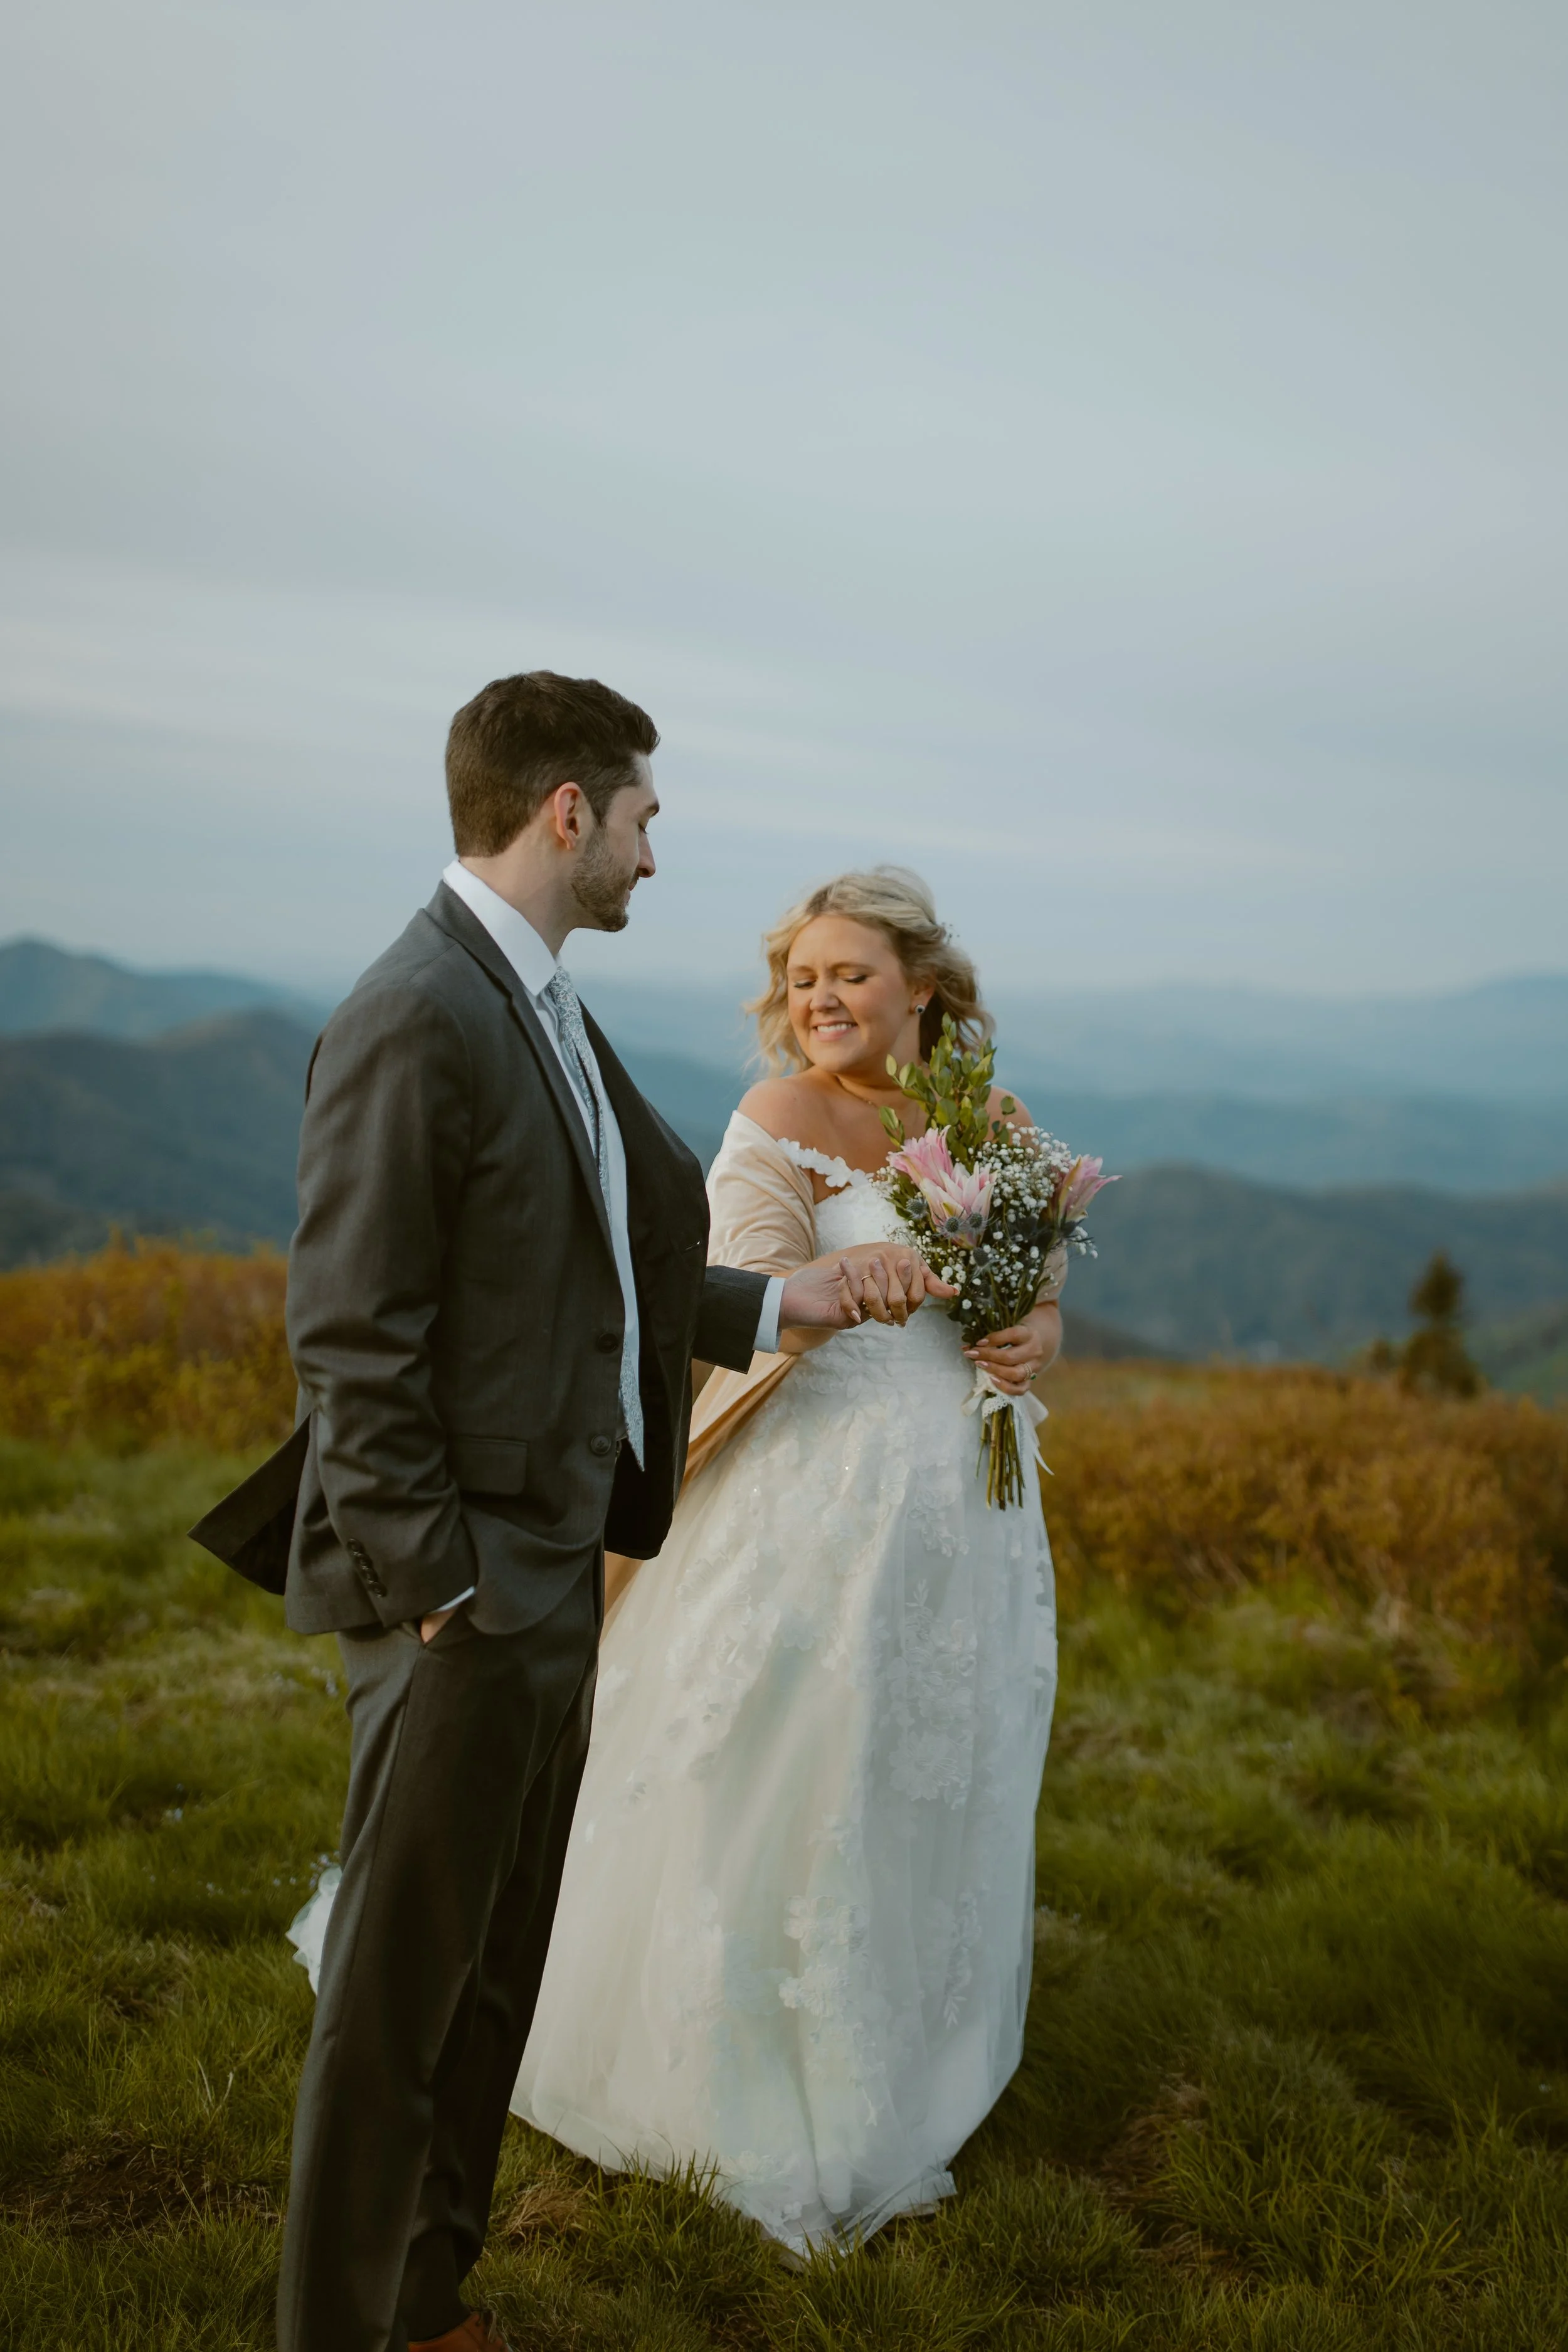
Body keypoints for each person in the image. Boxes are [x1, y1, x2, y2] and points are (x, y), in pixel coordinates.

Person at [191, 681, 946, 2352]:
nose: (653, 851)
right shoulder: (416, 1010)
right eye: (642, 817)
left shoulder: (535, 997)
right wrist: (436, 1586)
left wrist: (778, 1301)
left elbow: (601, 1255)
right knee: (393, 1996)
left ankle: (427, 2292)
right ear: (563, 811)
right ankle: (340, 2321)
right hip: (461, 1586)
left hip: (552, 1561)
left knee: (487, 1975)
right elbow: (352, 1330)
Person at [505, 866, 1062, 2253]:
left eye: (849, 975)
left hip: (965, 1501)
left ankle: (903, 2051)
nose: (818, 1000)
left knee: (929, 1764)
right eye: (802, 978)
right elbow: (741, 1282)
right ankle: (729, 2064)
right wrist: (833, 1289)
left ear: (920, 989)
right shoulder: (776, 1117)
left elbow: (1038, 1272)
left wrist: (1037, 1327)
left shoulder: (986, 1123)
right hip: (822, 1490)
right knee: (786, 1757)